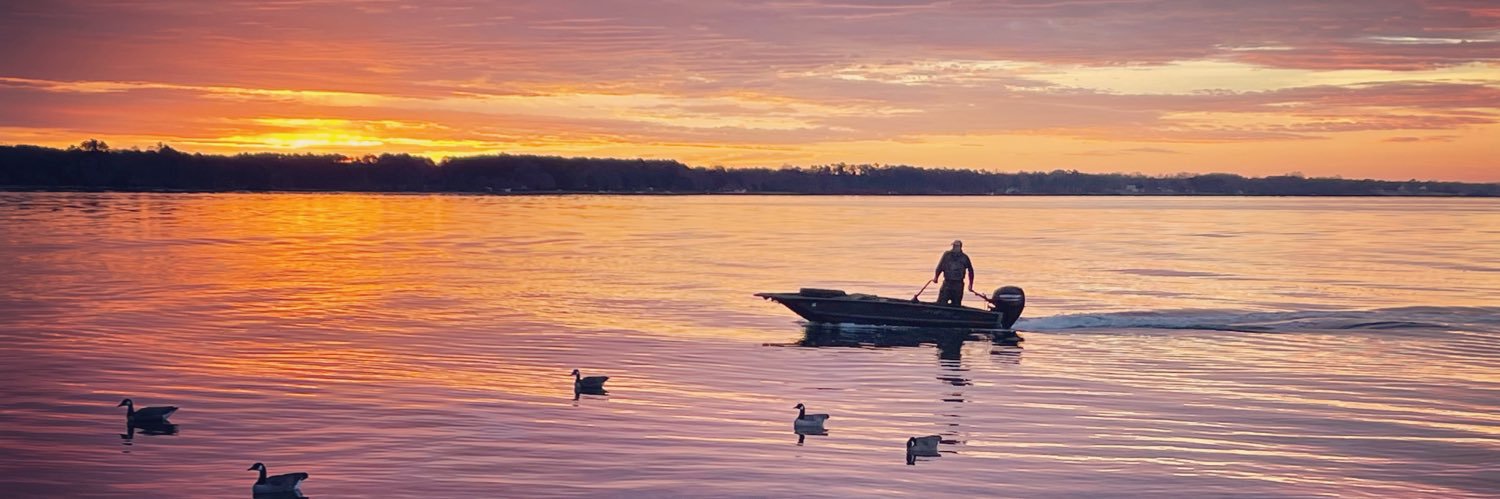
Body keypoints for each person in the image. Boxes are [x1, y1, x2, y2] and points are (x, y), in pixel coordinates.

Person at [932, 240, 974, 307]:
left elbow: (971, 271)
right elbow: (940, 267)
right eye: (953, 246)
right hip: (947, 283)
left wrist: (970, 285)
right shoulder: (947, 255)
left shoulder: (964, 258)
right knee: (941, 303)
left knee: (956, 304)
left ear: (960, 247)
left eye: (956, 246)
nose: (954, 248)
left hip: (958, 284)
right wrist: (936, 277)